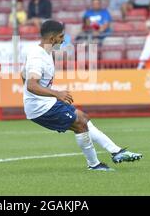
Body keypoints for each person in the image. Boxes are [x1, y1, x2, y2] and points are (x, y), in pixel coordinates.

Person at [21, 19, 142, 171]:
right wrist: (56, 93)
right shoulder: (38, 57)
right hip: (41, 108)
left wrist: (39, 94)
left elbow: (24, 76)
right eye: (61, 36)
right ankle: (94, 165)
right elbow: (31, 85)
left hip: (45, 102)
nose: (63, 40)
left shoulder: (40, 52)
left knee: (83, 118)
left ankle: (116, 152)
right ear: (52, 39)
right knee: (80, 124)